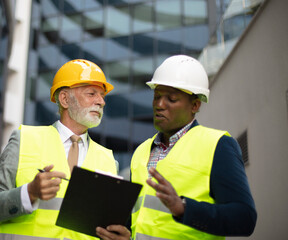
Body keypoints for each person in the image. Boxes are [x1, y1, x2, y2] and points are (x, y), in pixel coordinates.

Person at [96, 55, 257, 240]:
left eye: (171, 99)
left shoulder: (218, 145)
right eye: (157, 97)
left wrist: (184, 208)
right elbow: (142, 221)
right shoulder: (140, 152)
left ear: (195, 105)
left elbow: (245, 218)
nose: (159, 105)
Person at [0, 59, 118, 240]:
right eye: (91, 93)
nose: (101, 102)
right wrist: (29, 193)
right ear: (64, 99)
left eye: (102, 95)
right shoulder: (24, 139)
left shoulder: (109, 160)